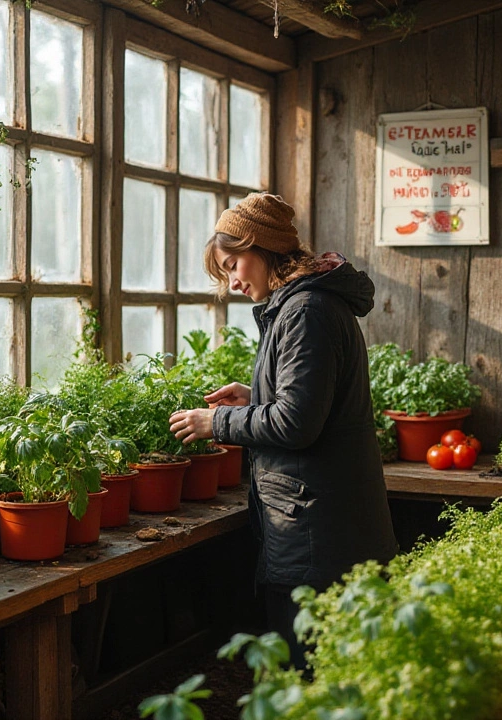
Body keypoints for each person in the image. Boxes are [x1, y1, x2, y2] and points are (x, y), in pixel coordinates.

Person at [168, 192, 397, 670]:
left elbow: (295, 424)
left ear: (262, 247)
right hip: (326, 522)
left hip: (318, 533)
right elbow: (310, 406)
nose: (232, 282)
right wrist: (255, 398)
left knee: (309, 674)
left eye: (233, 264)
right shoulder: (303, 304)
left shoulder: (305, 310)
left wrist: (218, 422)